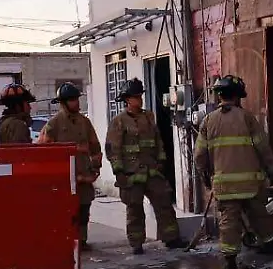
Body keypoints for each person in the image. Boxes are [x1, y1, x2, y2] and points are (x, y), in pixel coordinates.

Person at [194, 75, 273, 269]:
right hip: (251, 184)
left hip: (224, 186)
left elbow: (199, 155)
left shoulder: (208, 121)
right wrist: (272, 169)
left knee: (228, 222)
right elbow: (263, 147)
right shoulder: (247, 118)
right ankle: (270, 246)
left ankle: (229, 260)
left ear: (220, 96)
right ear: (237, 96)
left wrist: (205, 176)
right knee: (259, 215)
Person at [106, 78, 183, 254]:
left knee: (164, 203)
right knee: (134, 209)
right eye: (135, 96)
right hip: (131, 173)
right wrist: (119, 171)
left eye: (140, 95)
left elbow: (157, 141)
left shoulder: (149, 116)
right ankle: (136, 244)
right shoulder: (119, 121)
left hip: (152, 169)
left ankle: (171, 238)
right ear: (127, 99)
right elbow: (112, 148)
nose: (139, 99)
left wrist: (161, 160)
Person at [37, 82, 102, 250]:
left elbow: (95, 146)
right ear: (64, 102)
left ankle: (82, 241)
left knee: (84, 209)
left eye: (77, 99)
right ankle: (68, 241)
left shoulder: (84, 122)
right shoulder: (54, 124)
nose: (77, 103)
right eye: (72, 100)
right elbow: (43, 152)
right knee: (66, 212)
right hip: (65, 179)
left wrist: (96, 167)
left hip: (84, 176)